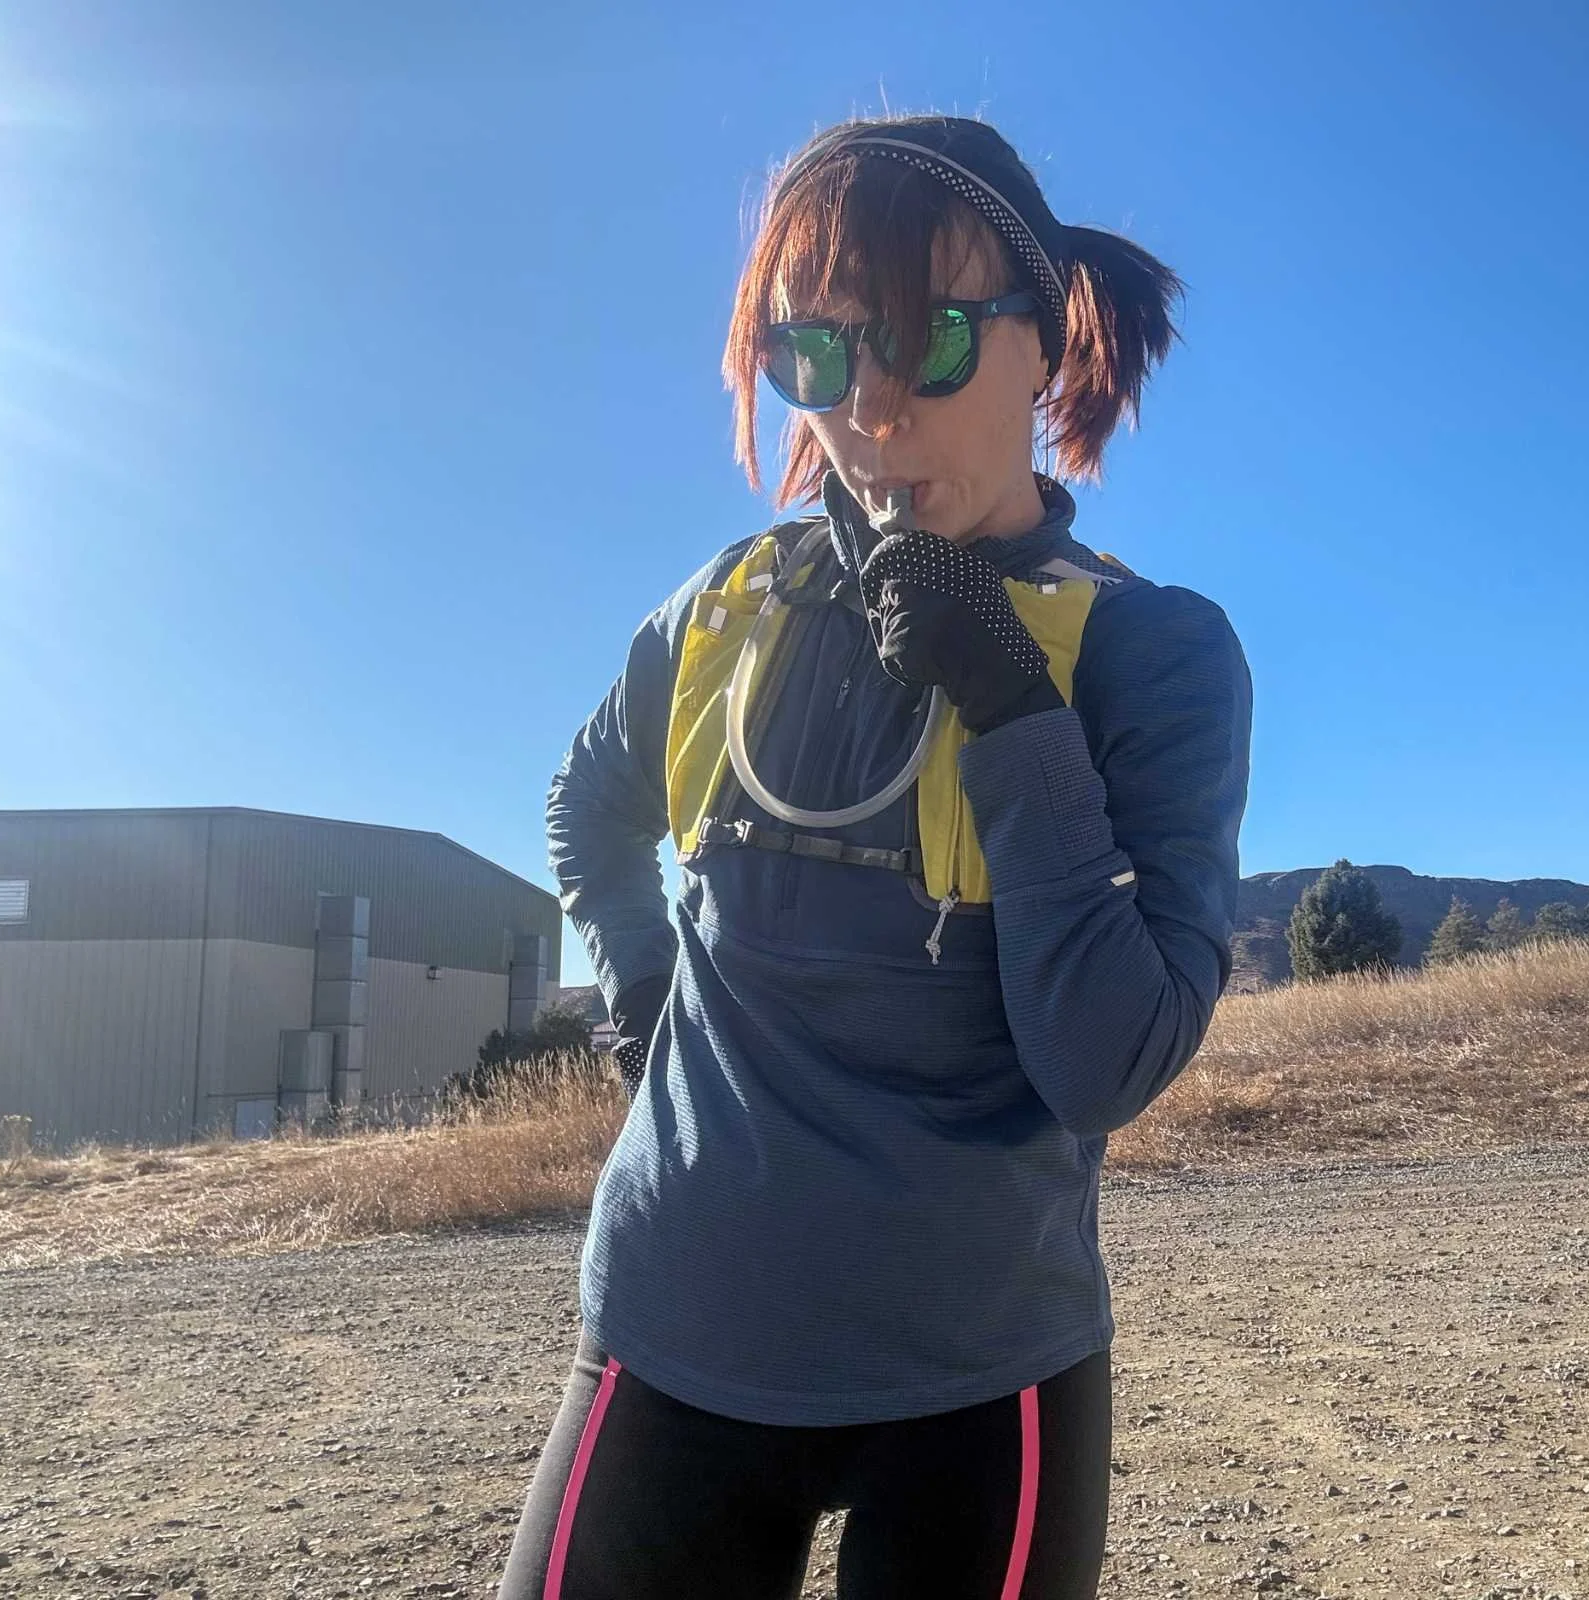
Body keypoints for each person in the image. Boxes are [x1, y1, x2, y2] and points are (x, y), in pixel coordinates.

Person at [500, 115, 1253, 1599]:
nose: (874, 413)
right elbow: (587, 809)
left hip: (982, 1372)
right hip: (674, 1326)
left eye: (933, 341)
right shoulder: (722, 612)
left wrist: (1015, 709)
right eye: (821, 357)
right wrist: (638, 996)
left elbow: (1108, 1058)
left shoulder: (1154, 655)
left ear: (1043, 347)